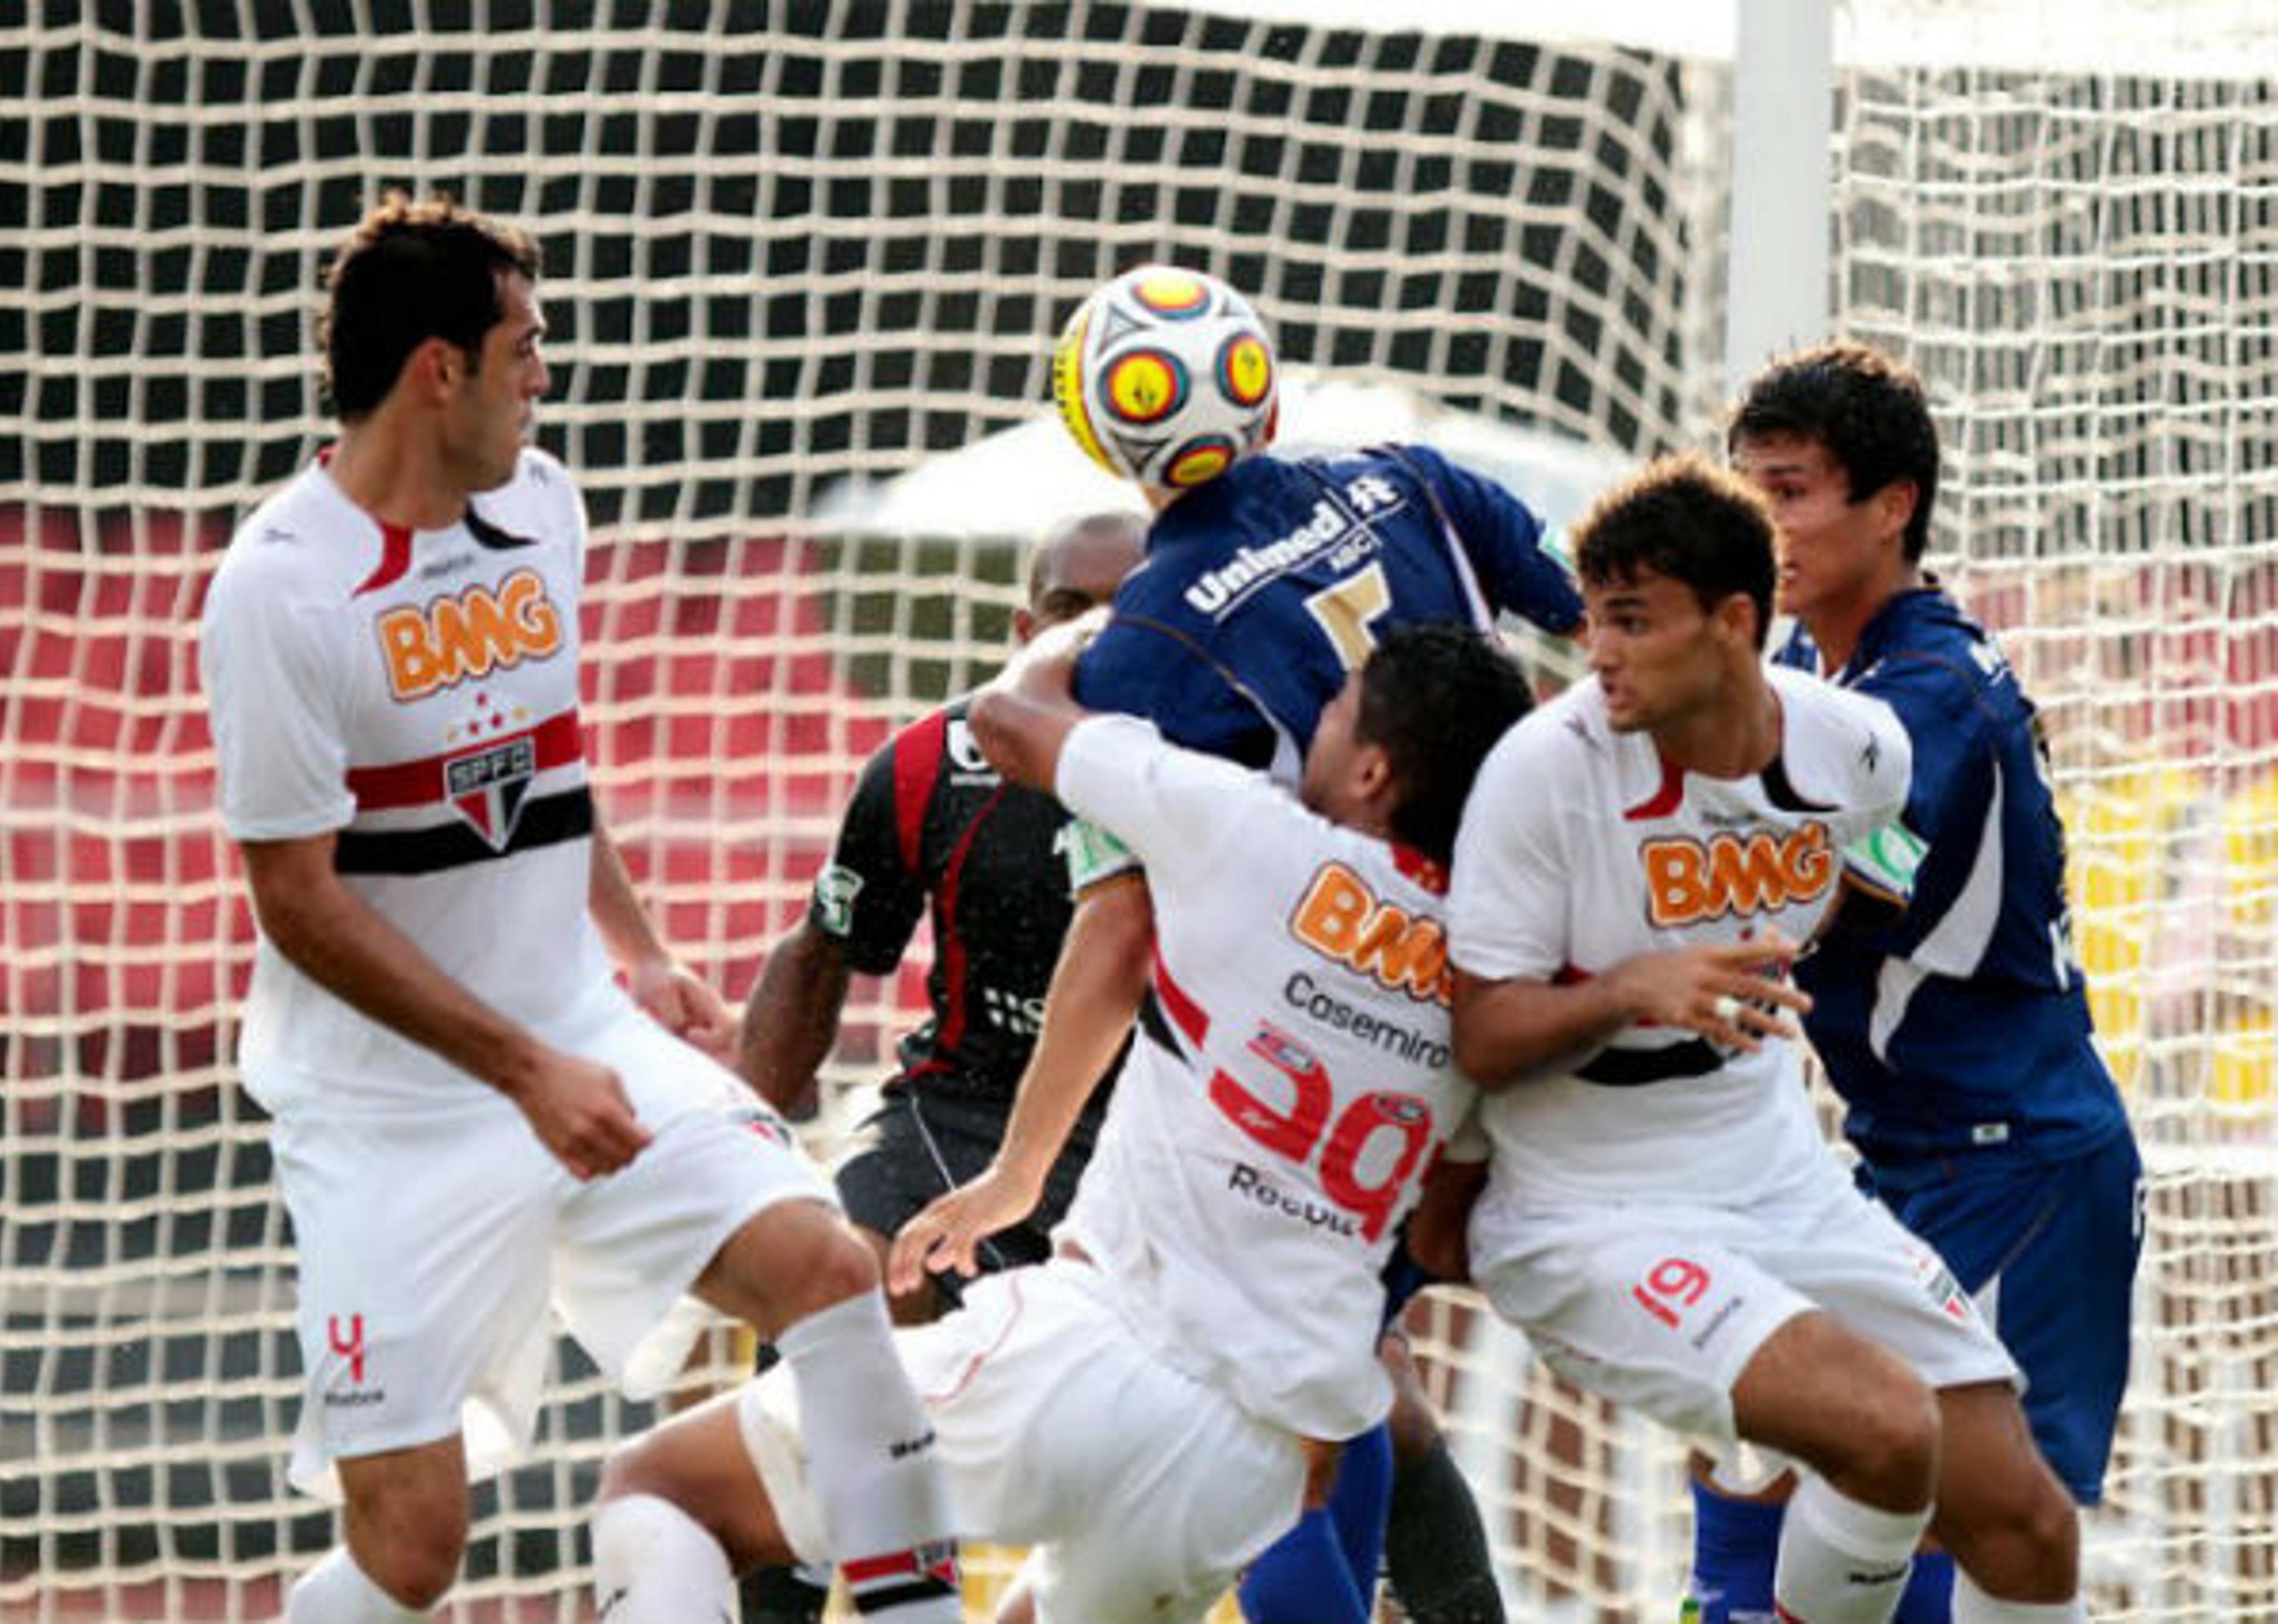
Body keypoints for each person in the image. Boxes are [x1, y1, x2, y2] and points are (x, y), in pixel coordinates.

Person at [198, 194, 959, 1624]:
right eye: (525, 347)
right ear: (441, 369)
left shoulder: (542, 504)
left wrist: (640, 952)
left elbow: (543, 764)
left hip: (579, 1035)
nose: (543, 375)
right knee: (411, 1551)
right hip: (391, 1119)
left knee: (827, 1267)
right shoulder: (279, 592)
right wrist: (526, 1071)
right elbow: (298, 907)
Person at [591, 620, 1539, 1623]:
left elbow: (1013, 717)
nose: (1314, 716)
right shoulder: (1486, 992)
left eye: (1338, 708)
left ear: (1374, 772)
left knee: (658, 1485)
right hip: (1250, 1466)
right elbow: (1440, 1234)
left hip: (1102, 1357)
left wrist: (1109, 631)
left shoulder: (1249, 832)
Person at [906, 263, 1585, 1624]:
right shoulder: (1417, 479)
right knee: (1335, 1394)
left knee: (1283, 1422)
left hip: (1322, 1029)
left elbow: (1119, 922)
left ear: (1096, 429)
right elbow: (1607, 641)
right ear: (1263, 393)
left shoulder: (1147, 646)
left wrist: (1020, 1170)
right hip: (1526, 985)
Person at [1440, 455, 2089, 1624]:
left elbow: (1874, 868)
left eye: (1633, 623)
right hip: (1587, 1202)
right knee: (1884, 1430)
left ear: (1735, 623)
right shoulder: (1544, 774)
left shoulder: (1866, 747)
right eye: (1593, 620)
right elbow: (1483, 1035)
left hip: (1772, 1160)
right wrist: (1630, 987)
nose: (1600, 653)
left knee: (2028, 1526)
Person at [1667, 342, 2145, 1624]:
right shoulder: (1828, 677)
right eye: (1751, 490)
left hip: (2017, 1165)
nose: (1766, 525)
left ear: (1894, 506)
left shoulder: (1923, 692)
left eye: (1795, 491)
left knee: (1986, 1518)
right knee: (1765, 1439)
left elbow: (1827, 892)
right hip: (1907, 1156)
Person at [736, 510, 1146, 1324]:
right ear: (1026, 630)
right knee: (839, 1285)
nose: (1097, 631)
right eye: (1070, 608)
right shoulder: (933, 762)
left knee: (1379, 1406)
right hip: (964, 1111)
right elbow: (822, 951)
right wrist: (733, 1151)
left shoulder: (1242, 761)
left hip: (1159, 1134)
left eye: (1128, 605)